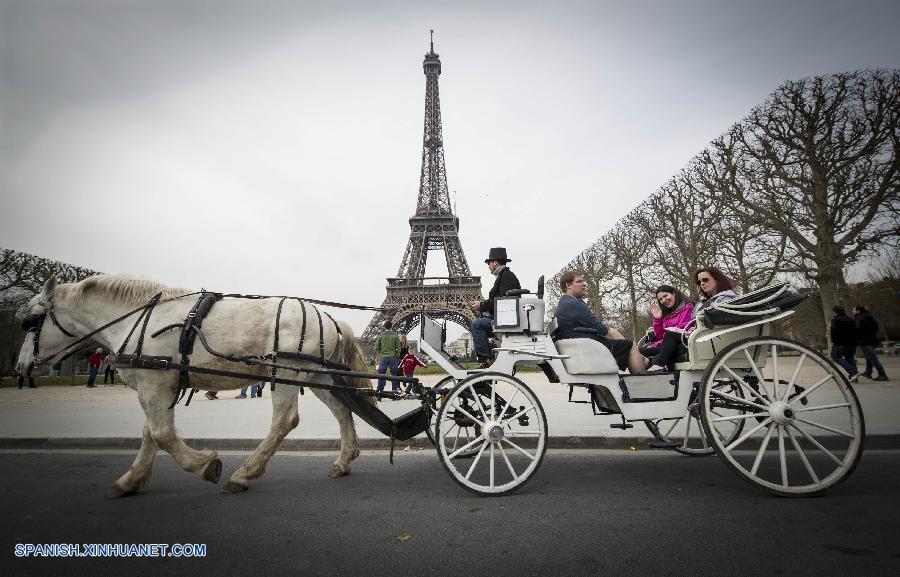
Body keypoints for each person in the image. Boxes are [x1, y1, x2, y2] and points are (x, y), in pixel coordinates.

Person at [554, 271, 645, 373]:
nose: (584, 284)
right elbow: (604, 331)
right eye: (579, 281)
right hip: (589, 351)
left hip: (578, 351)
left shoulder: (563, 304)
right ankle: (642, 383)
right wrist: (627, 345)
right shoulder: (574, 304)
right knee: (631, 346)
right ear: (568, 285)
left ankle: (645, 364)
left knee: (628, 346)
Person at [468, 247, 521, 364]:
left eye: (489, 263)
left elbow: (502, 301)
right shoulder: (504, 276)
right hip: (505, 317)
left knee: (477, 324)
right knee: (479, 323)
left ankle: (485, 359)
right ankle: (490, 352)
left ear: (495, 262)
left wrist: (481, 305)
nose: (488, 266)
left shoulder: (506, 276)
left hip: (506, 319)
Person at [639, 285, 696, 371]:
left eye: (665, 296)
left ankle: (658, 364)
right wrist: (657, 319)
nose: (663, 300)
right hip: (670, 342)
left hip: (686, 338)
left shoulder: (688, 308)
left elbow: (683, 328)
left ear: (674, 293)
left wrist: (669, 331)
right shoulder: (667, 315)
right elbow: (660, 336)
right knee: (641, 351)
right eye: (660, 299)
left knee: (669, 336)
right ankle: (651, 365)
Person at [854, 305, 888, 381]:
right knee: (868, 357)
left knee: (873, 359)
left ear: (858, 311)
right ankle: (868, 372)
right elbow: (876, 328)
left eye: (854, 310)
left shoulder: (859, 318)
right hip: (872, 340)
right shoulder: (870, 317)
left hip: (864, 341)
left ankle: (882, 375)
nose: (852, 311)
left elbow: (857, 329)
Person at [830, 306, 859, 383]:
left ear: (835, 312)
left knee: (835, 356)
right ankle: (854, 376)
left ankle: (853, 372)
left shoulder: (835, 320)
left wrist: (834, 340)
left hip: (840, 343)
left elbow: (834, 331)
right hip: (852, 343)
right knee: (849, 358)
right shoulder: (851, 320)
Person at [374, 320, 402, 400]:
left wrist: (381, 353)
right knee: (394, 376)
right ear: (391, 326)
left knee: (381, 376)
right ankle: (394, 394)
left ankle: (379, 394)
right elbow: (399, 348)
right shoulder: (395, 335)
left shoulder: (381, 335)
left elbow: (376, 348)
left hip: (383, 357)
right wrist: (396, 356)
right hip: (393, 357)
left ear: (384, 327)